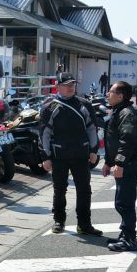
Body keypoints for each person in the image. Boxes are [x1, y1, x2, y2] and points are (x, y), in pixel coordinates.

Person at [39, 72, 102, 236]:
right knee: (59, 189)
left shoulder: (84, 104)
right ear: (57, 86)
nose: (70, 87)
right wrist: (45, 157)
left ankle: (84, 224)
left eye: (72, 84)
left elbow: (92, 128)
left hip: (81, 154)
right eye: (66, 85)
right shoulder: (49, 107)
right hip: (59, 155)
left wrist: (94, 151)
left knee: (84, 190)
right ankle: (59, 220)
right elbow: (44, 134)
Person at [103, 81, 137, 252]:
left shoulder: (126, 113)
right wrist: (108, 162)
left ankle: (129, 239)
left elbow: (127, 140)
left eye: (111, 91)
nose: (107, 94)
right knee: (122, 201)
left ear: (120, 96)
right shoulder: (119, 111)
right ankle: (125, 235)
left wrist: (119, 163)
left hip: (129, 164)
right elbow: (113, 140)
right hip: (126, 164)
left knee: (124, 203)